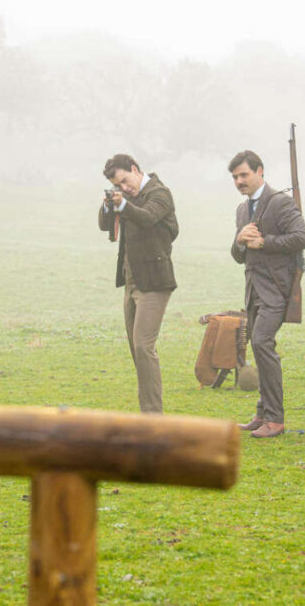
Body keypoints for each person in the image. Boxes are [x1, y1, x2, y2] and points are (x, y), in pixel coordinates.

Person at [229, 150, 305, 438]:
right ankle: (262, 414)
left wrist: (264, 242)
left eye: (244, 175)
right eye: (235, 177)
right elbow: (239, 255)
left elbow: (302, 238)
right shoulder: (242, 210)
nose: (239, 181)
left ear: (259, 171)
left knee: (263, 343)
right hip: (253, 290)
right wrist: (240, 241)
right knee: (259, 346)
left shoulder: (280, 203)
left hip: (277, 289)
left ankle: (275, 420)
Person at [98, 154, 178, 414]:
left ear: (135, 169)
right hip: (131, 279)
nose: (124, 188)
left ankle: (152, 417)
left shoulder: (160, 192)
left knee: (144, 346)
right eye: (117, 185)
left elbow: (146, 217)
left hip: (155, 281)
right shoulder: (126, 197)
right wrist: (108, 205)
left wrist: (123, 204)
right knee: (137, 350)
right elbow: (103, 226)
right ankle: (149, 412)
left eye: (125, 180)